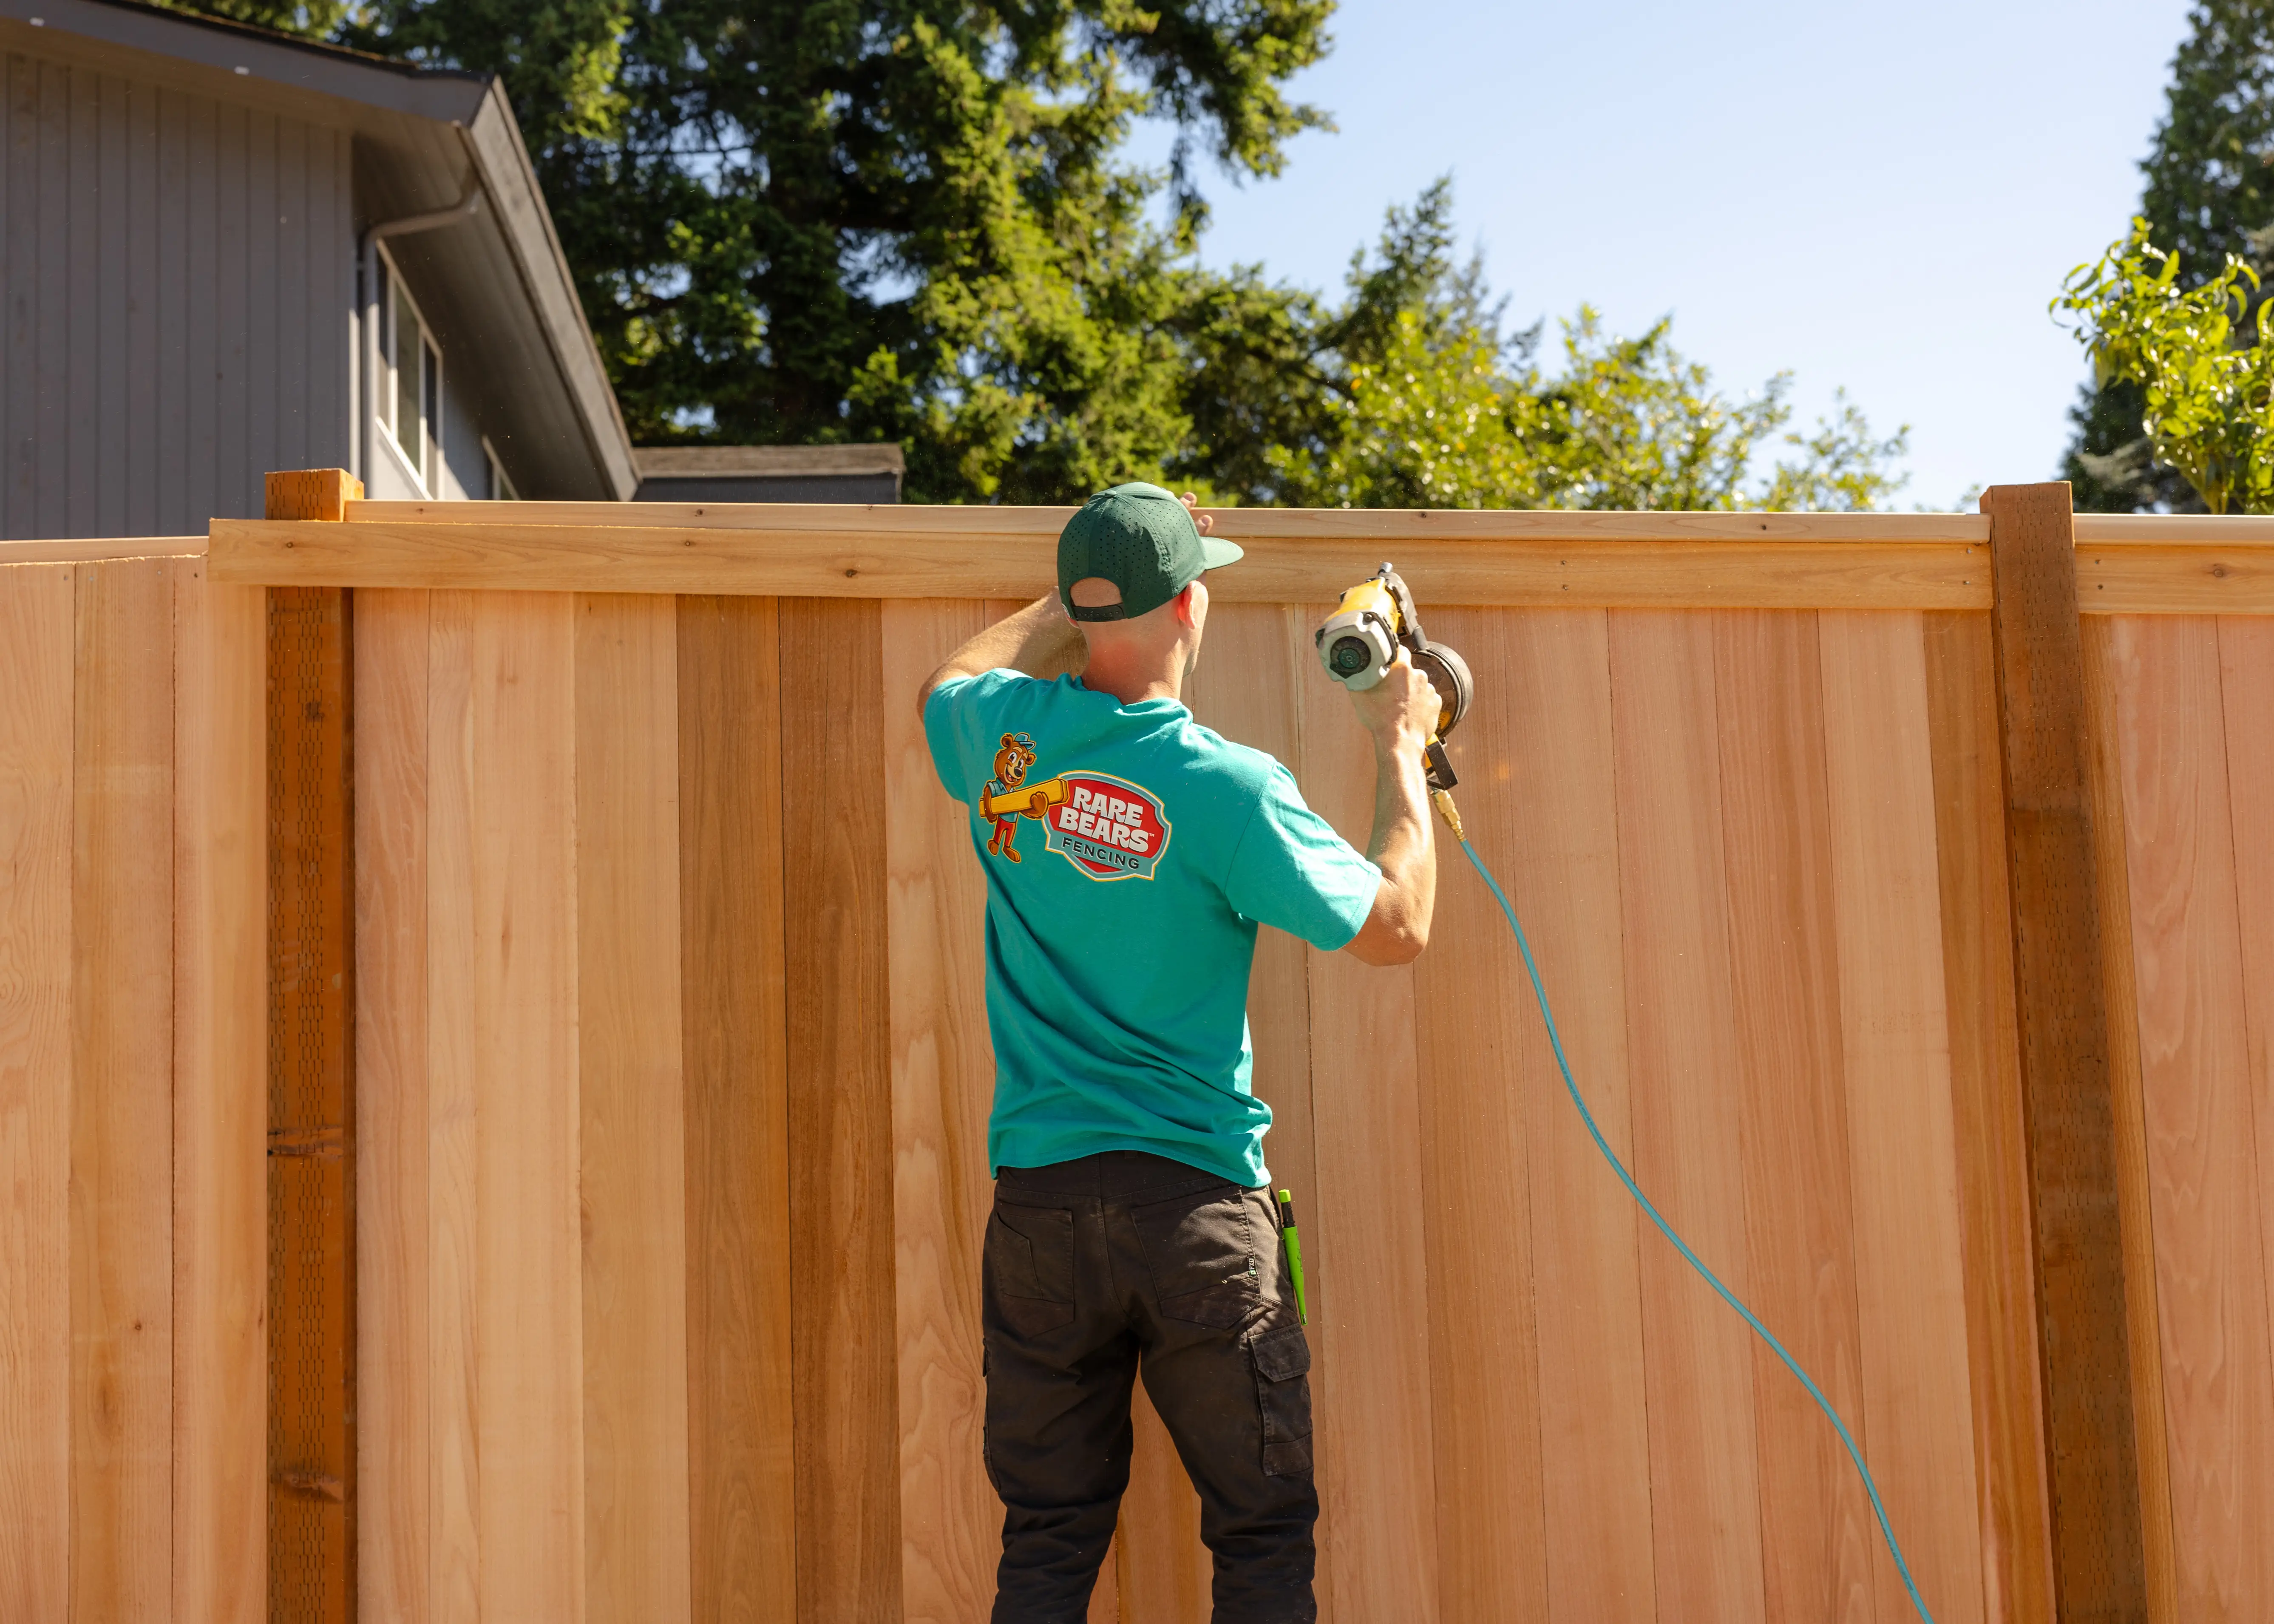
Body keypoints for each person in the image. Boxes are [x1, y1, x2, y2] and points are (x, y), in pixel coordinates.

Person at [916, 481, 1440, 1624]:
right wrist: (1400, 744)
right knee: (1259, 1532)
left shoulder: (999, 740)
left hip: (1041, 1210)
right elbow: (1398, 928)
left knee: (1048, 1538)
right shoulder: (1226, 789)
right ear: (1193, 606)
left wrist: (1071, 597)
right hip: (1198, 1211)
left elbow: (944, 682)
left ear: (1081, 608)